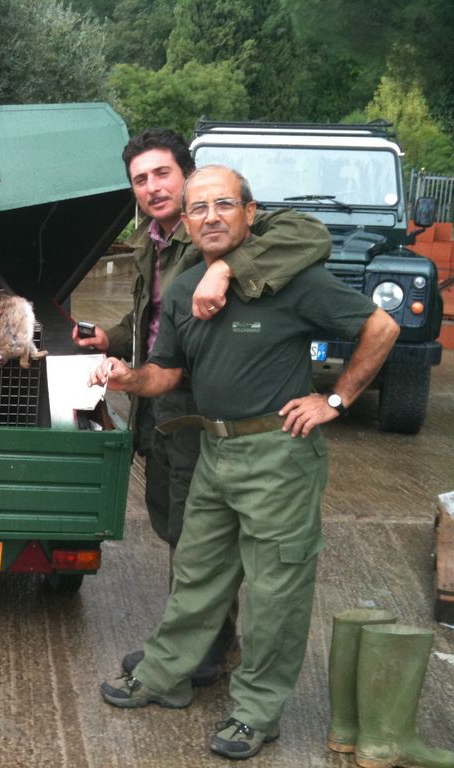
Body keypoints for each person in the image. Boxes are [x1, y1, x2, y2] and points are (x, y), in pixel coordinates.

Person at [90, 165, 399, 760]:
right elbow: (168, 372)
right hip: (214, 450)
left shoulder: (295, 282)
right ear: (185, 223)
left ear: (250, 213)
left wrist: (335, 400)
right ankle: (166, 676)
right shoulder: (183, 289)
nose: (210, 217)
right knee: (196, 575)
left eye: (224, 205)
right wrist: (127, 377)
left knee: (276, 593)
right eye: (199, 209)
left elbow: (380, 327)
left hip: (278, 456)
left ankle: (257, 711)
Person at [73, 128, 331, 685]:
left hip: (203, 400)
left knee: (198, 536)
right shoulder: (153, 241)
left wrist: (225, 267)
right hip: (158, 397)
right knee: (172, 520)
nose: (152, 187)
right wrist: (111, 339)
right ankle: (192, 638)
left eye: (162, 173)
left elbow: (309, 233)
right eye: (140, 179)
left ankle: (205, 650)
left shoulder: (216, 229)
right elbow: (152, 319)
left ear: (186, 175)